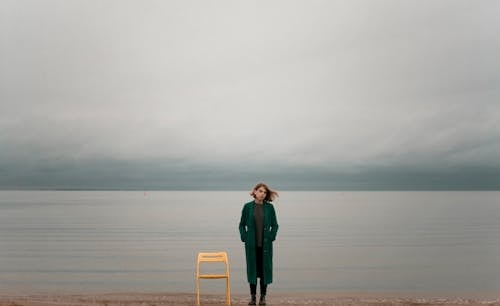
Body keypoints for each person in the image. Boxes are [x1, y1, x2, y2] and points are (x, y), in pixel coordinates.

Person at [239, 183, 279, 306]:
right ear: (255, 192)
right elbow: (241, 225)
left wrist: (271, 236)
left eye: (265, 192)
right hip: (251, 246)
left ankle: (262, 297)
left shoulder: (270, 208)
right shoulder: (247, 207)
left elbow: (275, 225)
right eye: (260, 191)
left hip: (265, 246)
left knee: (264, 272)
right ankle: (252, 298)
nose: (263, 194)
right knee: (252, 271)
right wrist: (244, 237)